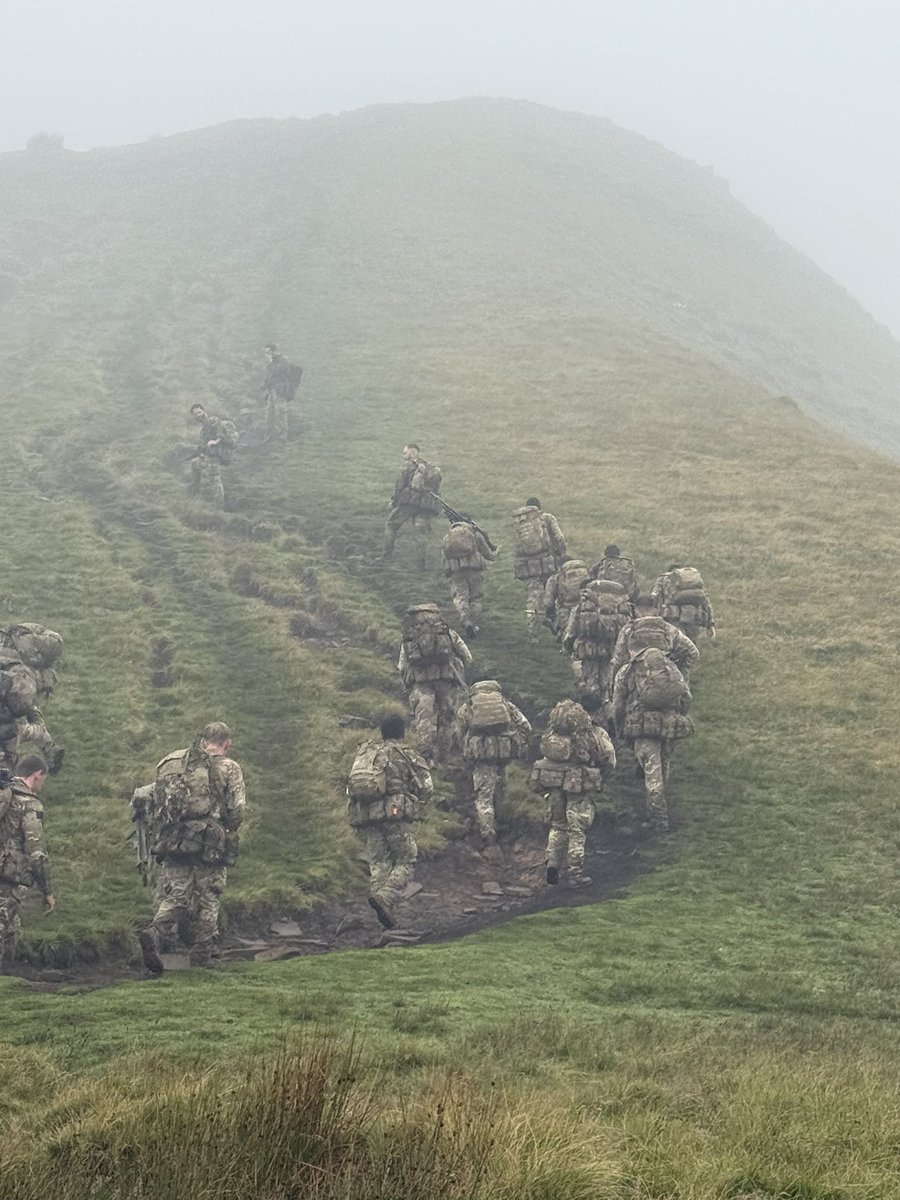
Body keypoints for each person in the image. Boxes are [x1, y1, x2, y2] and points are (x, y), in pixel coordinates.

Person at [136, 722, 245, 972]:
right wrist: (228, 827)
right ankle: (202, 956)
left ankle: (154, 933)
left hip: (175, 840)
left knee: (177, 896)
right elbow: (237, 809)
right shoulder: (229, 767)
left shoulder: (182, 765)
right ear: (226, 743)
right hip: (209, 842)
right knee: (209, 896)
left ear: (203, 740)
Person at [346, 713, 433, 930]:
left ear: (382, 732)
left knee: (378, 861)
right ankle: (386, 897)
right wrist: (417, 802)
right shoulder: (406, 754)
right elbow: (427, 786)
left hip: (366, 816)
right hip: (395, 816)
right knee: (406, 858)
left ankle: (379, 902)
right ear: (401, 732)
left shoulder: (369, 754)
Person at [530, 699, 616, 887]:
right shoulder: (593, 733)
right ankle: (575, 873)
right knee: (576, 828)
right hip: (578, 784)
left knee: (558, 825)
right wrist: (601, 776)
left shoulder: (554, 733)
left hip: (554, 783)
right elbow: (609, 758)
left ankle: (552, 864)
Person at [611, 646, 693, 832]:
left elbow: (617, 706)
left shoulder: (627, 671)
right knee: (663, 762)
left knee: (651, 769)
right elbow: (686, 695)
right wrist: (679, 716)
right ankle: (660, 802)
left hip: (643, 725)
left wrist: (619, 729)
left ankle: (658, 818)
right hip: (670, 723)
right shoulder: (668, 666)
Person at [455, 680, 532, 854]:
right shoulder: (506, 704)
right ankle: (502, 817)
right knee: (499, 783)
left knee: (484, 795)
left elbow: (459, 732)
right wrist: (520, 743)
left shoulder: (468, 707)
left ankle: (488, 834)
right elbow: (526, 726)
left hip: (481, 756)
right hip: (503, 753)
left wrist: (466, 748)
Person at [397, 604, 472, 765]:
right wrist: (460, 672)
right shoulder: (448, 633)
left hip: (420, 684)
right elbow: (467, 656)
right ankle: (444, 757)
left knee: (424, 720)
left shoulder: (410, 636)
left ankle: (425, 758)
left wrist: (407, 683)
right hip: (446, 682)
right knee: (447, 718)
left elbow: (401, 666)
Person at [0, 754, 54, 971]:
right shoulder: (28, 803)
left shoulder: (5, 793)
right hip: (8, 875)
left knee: (12, 928)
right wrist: (46, 890)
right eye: (43, 779)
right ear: (37, 775)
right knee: (4, 926)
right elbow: (36, 851)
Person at [6, 624, 65, 771]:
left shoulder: (13, 640)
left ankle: (48, 748)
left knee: (14, 728)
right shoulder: (28, 649)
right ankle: (49, 748)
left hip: (14, 687)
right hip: (18, 687)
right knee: (19, 725)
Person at [563, 579, 632, 701]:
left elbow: (570, 633)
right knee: (609, 684)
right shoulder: (622, 608)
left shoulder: (582, 607)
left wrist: (568, 649)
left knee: (589, 686)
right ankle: (608, 709)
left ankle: (590, 713)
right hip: (612, 652)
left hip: (588, 653)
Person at [609, 596, 700, 683]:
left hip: (639, 684)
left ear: (636, 611)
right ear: (655, 610)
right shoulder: (668, 629)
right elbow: (693, 652)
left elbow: (619, 660)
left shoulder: (628, 630)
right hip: (666, 680)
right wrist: (679, 670)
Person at [512, 499, 567, 630]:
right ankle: (554, 621)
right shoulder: (547, 518)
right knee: (552, 591)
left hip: (526, 565)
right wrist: (562, 553)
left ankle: (532, 629)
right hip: (547, 562)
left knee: (534, 595)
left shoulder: (519, 522)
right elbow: (559, 537)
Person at [383, 444, 443, 560]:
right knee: (421, 534)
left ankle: (386, 557)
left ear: (411, 452)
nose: (404, 456)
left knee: (391, 525)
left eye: (405, 453)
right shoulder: (431, 467)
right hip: (427, 504)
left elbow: (399, 485)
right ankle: (420, 564)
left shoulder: (407, 466)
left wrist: (394, 501)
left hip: (410, 502)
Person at [441, 516, 497, 637]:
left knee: (461, 597)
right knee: (475, 598)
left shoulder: (447, 537)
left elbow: (444, 557)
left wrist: (448, 572)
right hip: (474, 571)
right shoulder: (474, 533)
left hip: (456, 572)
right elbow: (488, 554)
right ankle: (474, 624)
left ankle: (465, 621)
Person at [188, 404, 239, 509]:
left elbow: (220, 429)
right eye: (195, 414)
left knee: (215, 481)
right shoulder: (203, 429)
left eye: (199, 412)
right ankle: (193, 496)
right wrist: (201, 452)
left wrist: (216, 441)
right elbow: (205, 443)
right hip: (208, 456)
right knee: (195, 464)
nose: (198, 415)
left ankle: (219, 508)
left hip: (214, 456)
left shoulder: (212, 420)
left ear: (203, 411)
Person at [652, 565, 716, 645]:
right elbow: (706, 602)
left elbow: (654, 596)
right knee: (692, 643)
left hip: (673, 616)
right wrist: (710, 624)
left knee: (674, 642)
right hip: (694, 615)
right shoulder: (694, 583)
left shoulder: (663, 578)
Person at [262, 343, 303, 442]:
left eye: (267, 352)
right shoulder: (272, 363)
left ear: (273, 351)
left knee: (280, 413)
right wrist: (264, 384)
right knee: (269, 414)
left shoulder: (283, 361)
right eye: (265, 352)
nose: (266, 354)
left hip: (280, 391)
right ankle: (268, 437)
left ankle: (282, 438)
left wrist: (270, 362)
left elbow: (277, 371)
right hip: (271, 391)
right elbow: (269, 376)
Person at [543, 559, 590, 639]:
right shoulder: (587, 574)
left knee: (567, 635)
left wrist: (549, 615)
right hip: (586, 608)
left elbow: (549, 602)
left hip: (567, 610)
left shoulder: (556, 578)